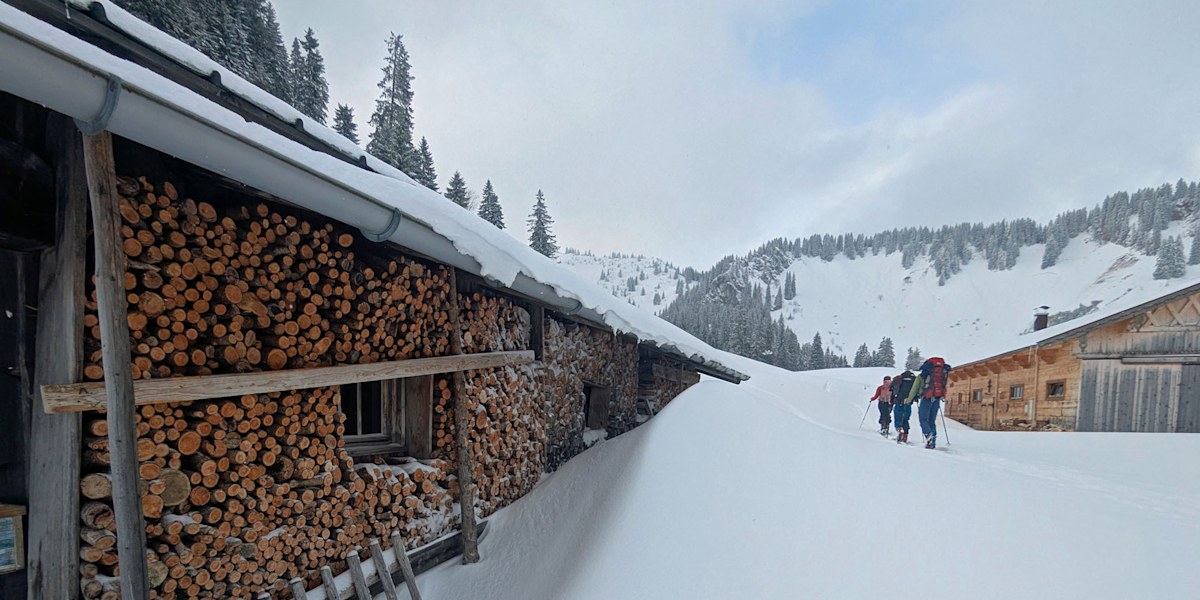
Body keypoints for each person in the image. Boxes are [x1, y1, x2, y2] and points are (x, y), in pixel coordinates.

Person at [907, 357, 952, 449]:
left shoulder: (922, 375)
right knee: (932, 421)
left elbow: (914, 389)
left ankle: (928, 435)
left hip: (926, 398)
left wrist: (909, 400)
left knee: (923, 420)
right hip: (937, 398)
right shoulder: (942, 374)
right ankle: (932, 443)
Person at [891, 369, 917, 443]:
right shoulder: (913, 382)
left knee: (898, 418)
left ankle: (900, 430)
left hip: (899, 401)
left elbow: (892, 390)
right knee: (906, 419)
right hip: (908, 403)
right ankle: (905, 435)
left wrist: (892, 400)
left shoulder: (899, 380)